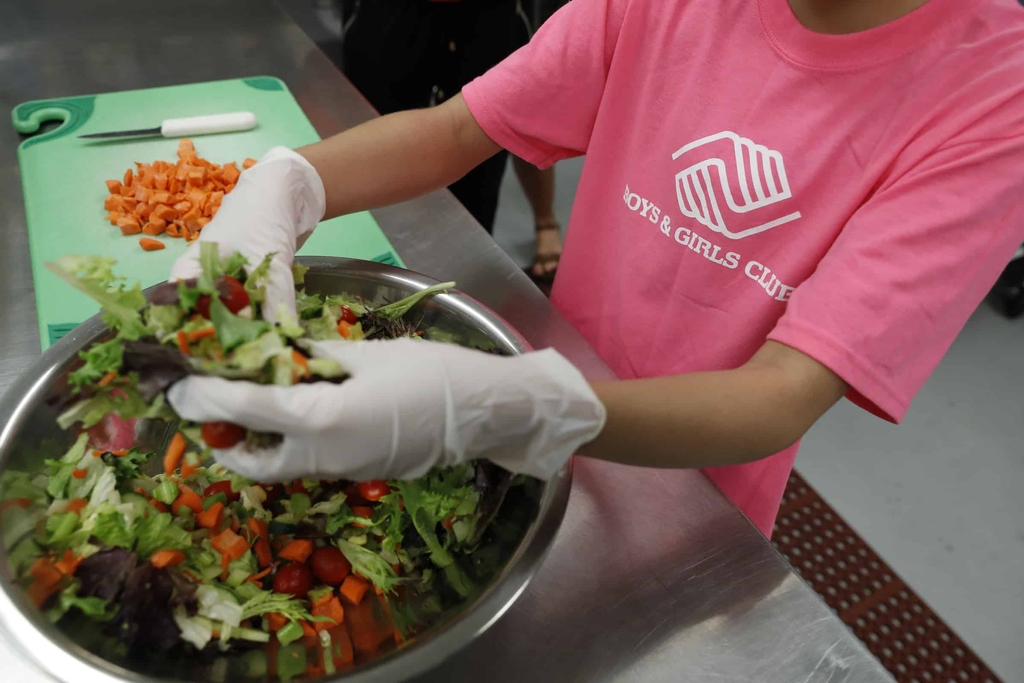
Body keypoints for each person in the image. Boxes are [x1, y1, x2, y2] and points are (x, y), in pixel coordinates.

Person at [167, 0, 1024, 537]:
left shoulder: (995, 90)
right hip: (548, 396)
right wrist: (290, 183)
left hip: (693, 493)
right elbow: (461, 129)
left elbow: (785, 389)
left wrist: (516, 405)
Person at [340, 0, 563, 285]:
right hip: (393, 14)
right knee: (370, 126)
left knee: (500, 135)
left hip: (489, 13)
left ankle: (543, 222)